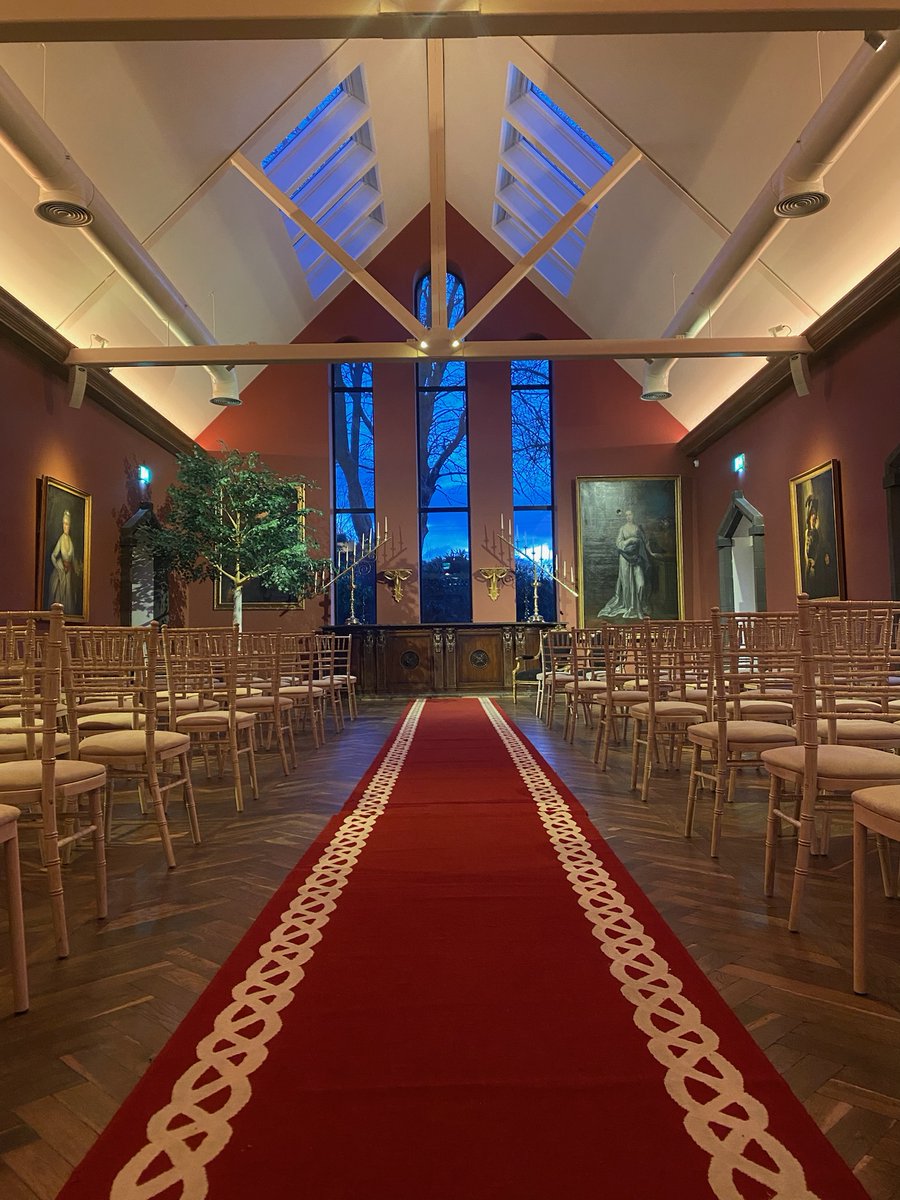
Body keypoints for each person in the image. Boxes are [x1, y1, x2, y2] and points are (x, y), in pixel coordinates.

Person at [598, 509, 656, 620]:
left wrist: (651, 553)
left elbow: (645, 541)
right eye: (627, 515)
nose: (629, 517)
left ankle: (639, 608)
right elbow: (619, 544)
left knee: (641, 584)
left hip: (636, 559)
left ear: (634, 515)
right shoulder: (623, 529)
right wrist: (630, 541)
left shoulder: (638, 529)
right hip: (625, 559)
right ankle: (631, 607)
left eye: (630, 514)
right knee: (627, 584)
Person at [802, 494, 837, 598]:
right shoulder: (807, 532)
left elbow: (822, 545)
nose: (814, 516)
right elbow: (806, 549)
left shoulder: (818, 532)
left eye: (815, 514)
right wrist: (808, 560)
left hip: (819, 565)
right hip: (811, 567)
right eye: (812, 514)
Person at [47, 509, 82, 614]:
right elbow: (53, 555)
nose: (65, 526)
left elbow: (73, 559)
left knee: (69, 599)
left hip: (69, 573)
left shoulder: (70, 540)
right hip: (61, 572)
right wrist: (58, 567)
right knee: (59, 597)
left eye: (67, 524)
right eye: (64, 524)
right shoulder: (62, 539)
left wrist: (78, 567)